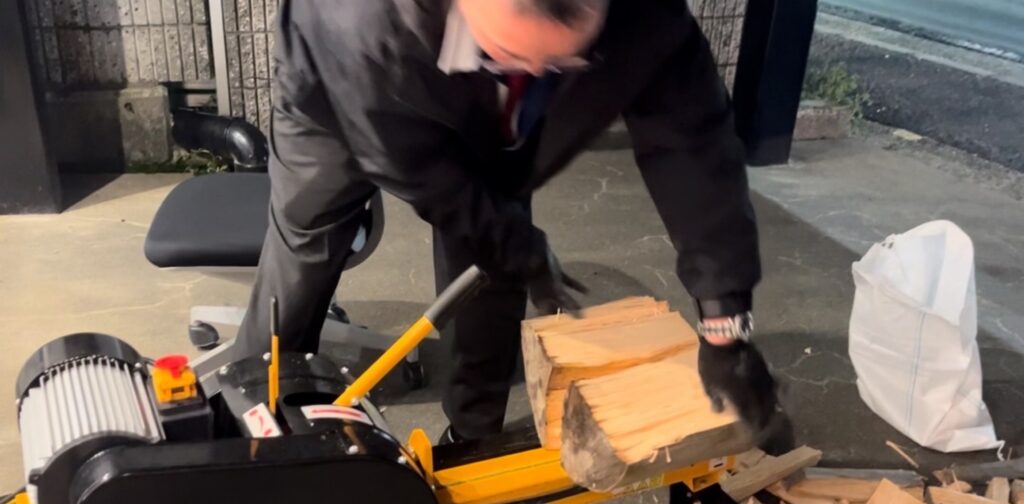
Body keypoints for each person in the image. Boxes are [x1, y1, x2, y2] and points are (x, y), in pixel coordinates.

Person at [235, 0, 794, 452]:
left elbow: (692, 145)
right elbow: (417, 166)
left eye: (557, 63)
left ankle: (473, 435)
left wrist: (724, 319)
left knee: (491, 273)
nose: (527, 74)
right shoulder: (360, 20)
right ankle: (250, 431)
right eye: (506, 53)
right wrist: (508, 238)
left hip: (476, 112)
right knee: (306, 249)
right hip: (336, 100)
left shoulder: (642, 12)